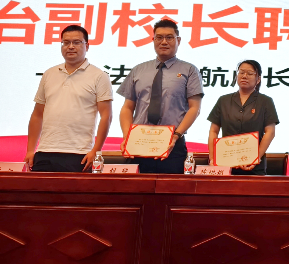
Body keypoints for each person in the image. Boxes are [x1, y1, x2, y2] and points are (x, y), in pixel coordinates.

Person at [117, 19, 204, 174]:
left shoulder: (189, 70)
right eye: (159, 37)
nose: (164, 42)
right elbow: (127, 108)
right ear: (153, 40)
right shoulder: (138, 70)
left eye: (169, 37)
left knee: (170, 189)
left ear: (178, 40)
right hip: (138, 142)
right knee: (135, 189)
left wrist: (176, 136)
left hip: (172, 144)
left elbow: (194, 108)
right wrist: (127, 137)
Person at [25, 25, 113, 172]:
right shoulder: (49, 74)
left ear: (87, 46)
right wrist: (30, 150)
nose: (70, 46)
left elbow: (106, 116)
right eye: (66, 43)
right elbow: (37, 114)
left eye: (77, 42)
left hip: (80, 153)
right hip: (45, 151)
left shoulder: (99, 76)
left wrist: (96, 150)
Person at [207, 60, 279, 176]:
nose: (244, 76)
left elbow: (270, 132)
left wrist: (256, 157)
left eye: (250, 73)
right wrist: (213, 158)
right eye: (241, 72)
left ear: (258, 79)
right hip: (225, 164)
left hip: (253, 167)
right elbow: (213, 131)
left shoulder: (265, 101)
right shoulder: (223, 100)